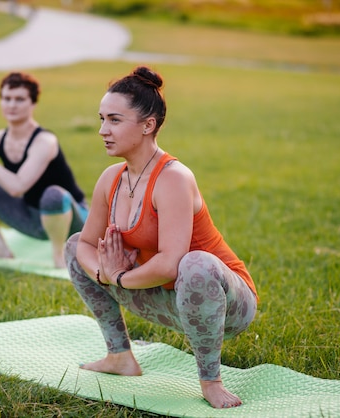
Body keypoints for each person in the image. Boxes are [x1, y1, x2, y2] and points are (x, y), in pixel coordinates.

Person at [64, 66, 259, 409]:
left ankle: (210, 380)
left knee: (195, 263)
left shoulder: (173, 178)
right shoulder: (111, 179)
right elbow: (84, 245)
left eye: (113, 120)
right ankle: (120, 356)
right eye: (101, 119)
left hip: (224, 305)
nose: (102, 130)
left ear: (147, 125)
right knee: (74, 246)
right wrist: (102, 272)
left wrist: (119, 277)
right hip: (163, 299)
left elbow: (171, 263)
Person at [0, 71, 88, 268]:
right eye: (6, 98)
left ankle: (60, 257)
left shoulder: (44, 141)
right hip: (32, 218)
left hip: (72, 220)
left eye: (19, 99)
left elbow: (18, 187)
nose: (12, 105)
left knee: (53, 195)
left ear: (33, 103)